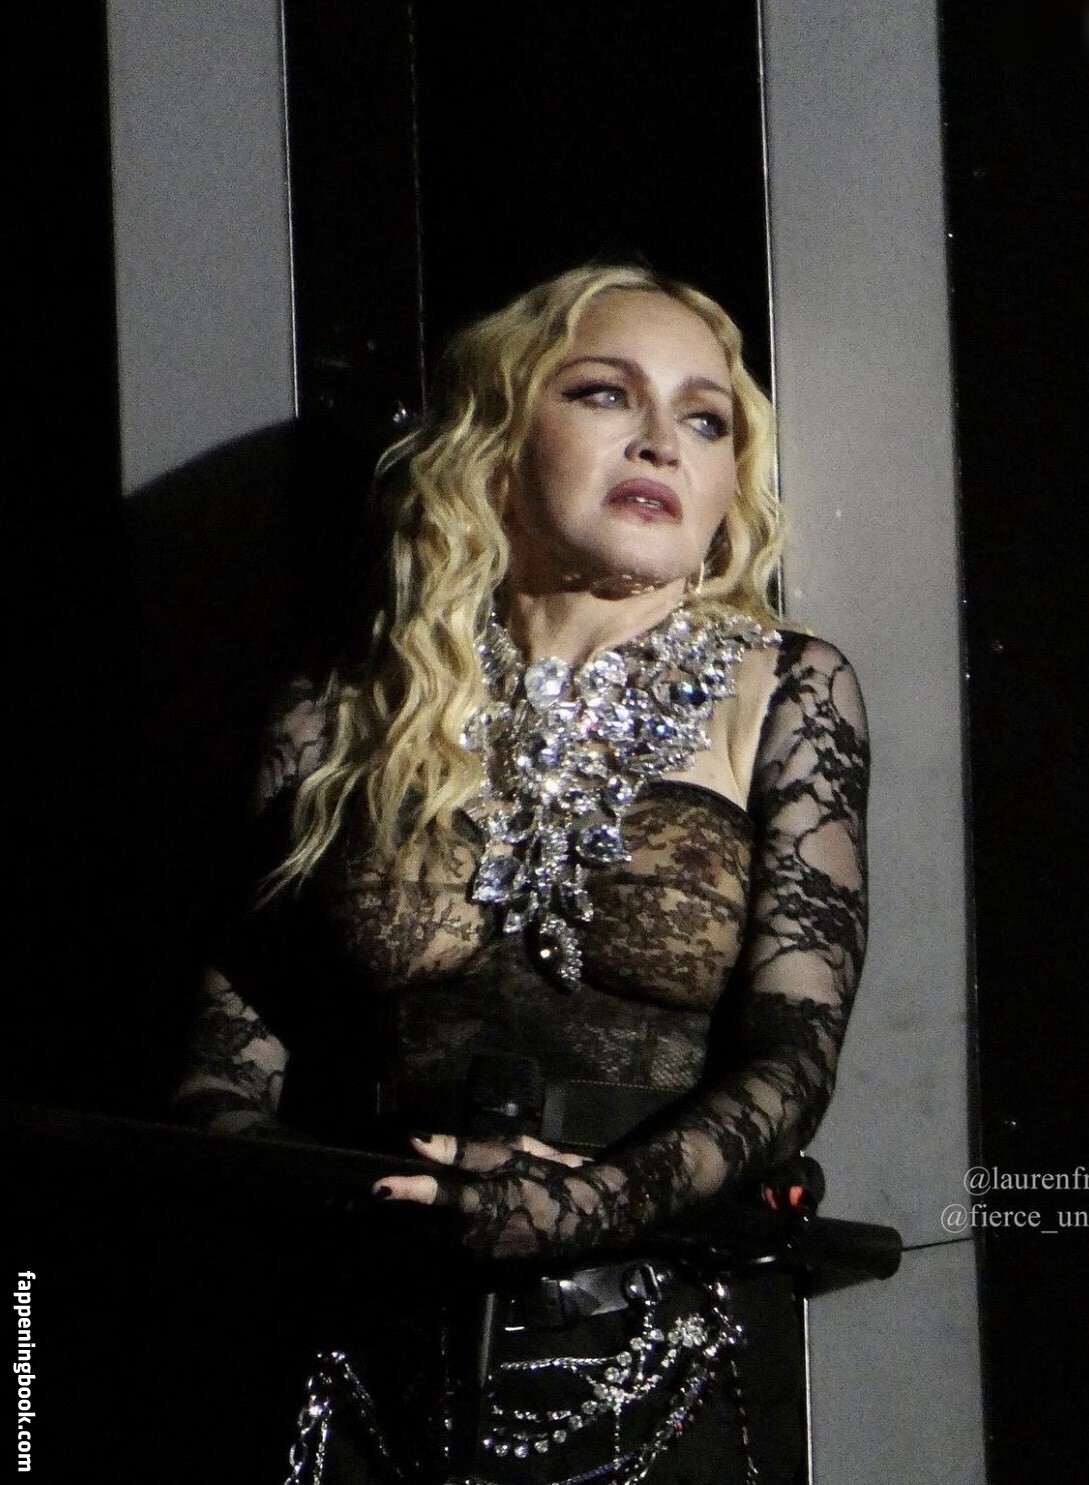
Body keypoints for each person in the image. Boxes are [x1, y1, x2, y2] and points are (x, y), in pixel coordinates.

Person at [173, 263, 869, 1484]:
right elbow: (222, 1071)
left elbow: (795, 1056)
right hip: (363, 1339)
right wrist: (354, 1202)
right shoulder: (341, 707)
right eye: (605, 393)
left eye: (704, 419)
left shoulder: (789, 690)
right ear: (497, 437)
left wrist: (595, 1204)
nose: (660, 440)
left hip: (655, 1335)